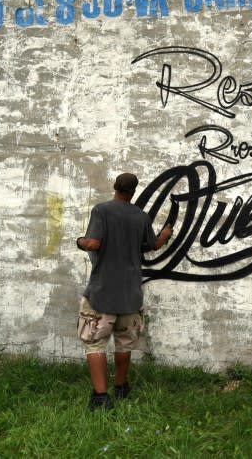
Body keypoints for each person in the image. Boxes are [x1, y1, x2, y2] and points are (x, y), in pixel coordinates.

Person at [76, 172, 172, 410]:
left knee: (95, 343)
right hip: (131, 293)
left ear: (114, 187)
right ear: (134, 191)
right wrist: (165, 235)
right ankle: (121, 387)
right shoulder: (141, 217)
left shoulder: (102, 210)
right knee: (124, 343)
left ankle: (100, 398)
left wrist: (81, 241)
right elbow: (153, 245)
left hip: (102, 292)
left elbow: (94, 243)